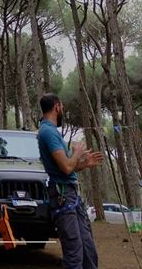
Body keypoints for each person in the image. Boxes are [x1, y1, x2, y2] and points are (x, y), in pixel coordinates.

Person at [38, 93, 104, 269]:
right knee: (74, 254)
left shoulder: (52, 132)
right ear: (57, 107)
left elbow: (67, 168)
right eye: (63, 108)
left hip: (71, 194)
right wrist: (76, 151)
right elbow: (66, 167)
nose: (63, 111)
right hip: (63, 196)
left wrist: (83, 164)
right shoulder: (48, 132)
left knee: (88, 250)